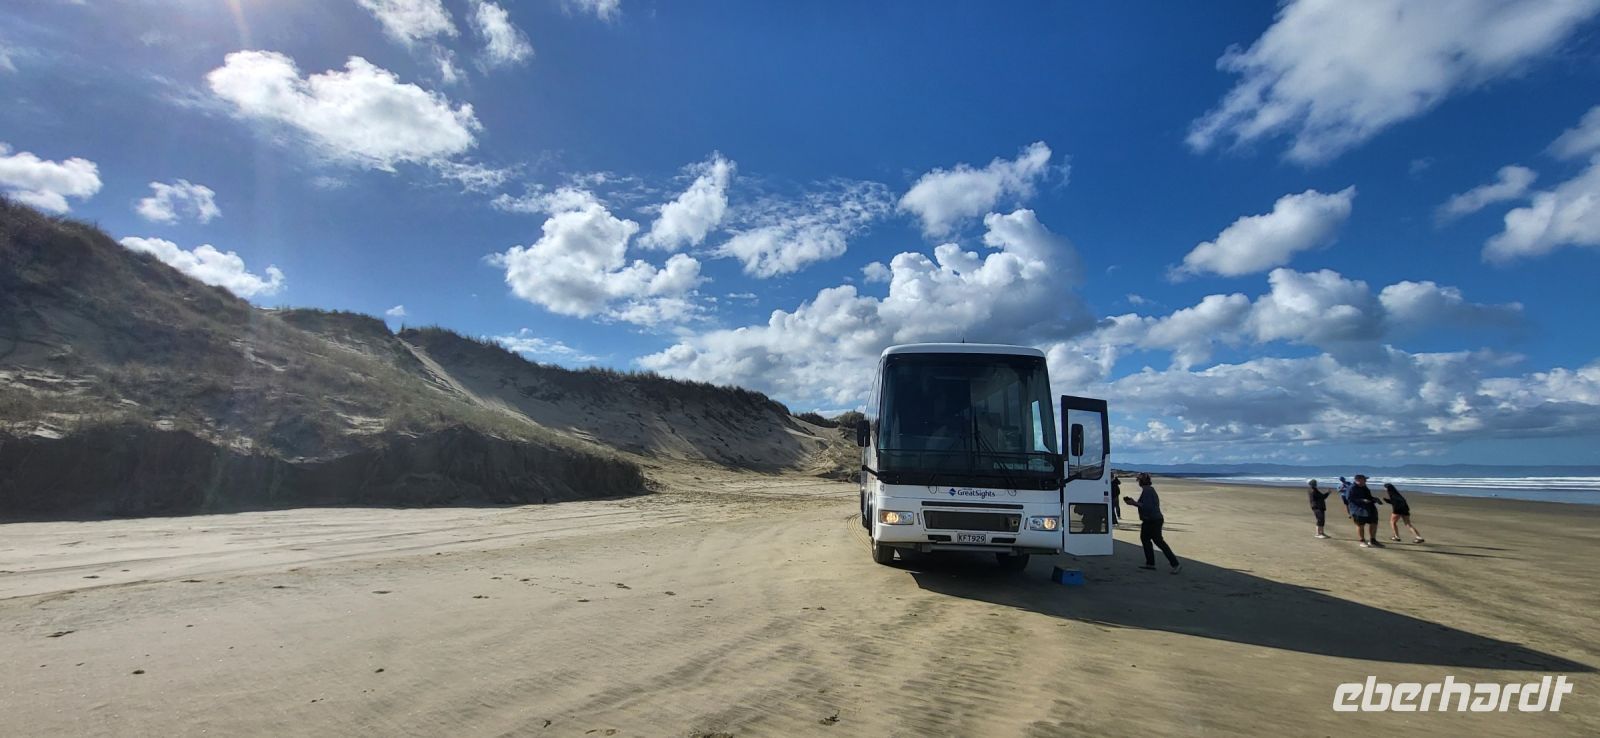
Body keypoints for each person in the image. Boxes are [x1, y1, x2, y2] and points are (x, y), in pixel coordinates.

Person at [1123, 472, 1180, 573]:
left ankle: (1175, 564)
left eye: (1139, 480)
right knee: (1146, 539)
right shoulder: (1148, 490)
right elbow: (1145, 505)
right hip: (1150, 519)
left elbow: (1147, 506)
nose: (1138, 482)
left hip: (1153, 520)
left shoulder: (1148, 491)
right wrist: (1134, 503)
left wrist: (1134, 503)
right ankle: (1150, 563)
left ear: (1141, 481)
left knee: (1158, 541)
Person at [1346, 474, 1384, 548]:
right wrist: (1362, 500)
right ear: (1358, 480)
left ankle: (1373, 540)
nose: (1366, 481)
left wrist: (1375, 499)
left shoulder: (1365, 487)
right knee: (1360, 525)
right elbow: (1349, 499)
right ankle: (1362, 541)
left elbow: (1369, 496)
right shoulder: (1351, 488)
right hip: (1358, 510)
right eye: (1364, 479)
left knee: (1374, 523)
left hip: (1369, 508)